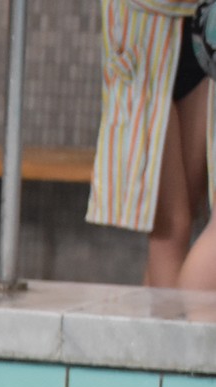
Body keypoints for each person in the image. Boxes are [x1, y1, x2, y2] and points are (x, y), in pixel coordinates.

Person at [91, 1, 212, 287]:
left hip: (201, 30)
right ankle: (177, 318)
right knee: (171, 229)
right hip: (143, 34)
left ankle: (155, 316)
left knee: (183, 219)